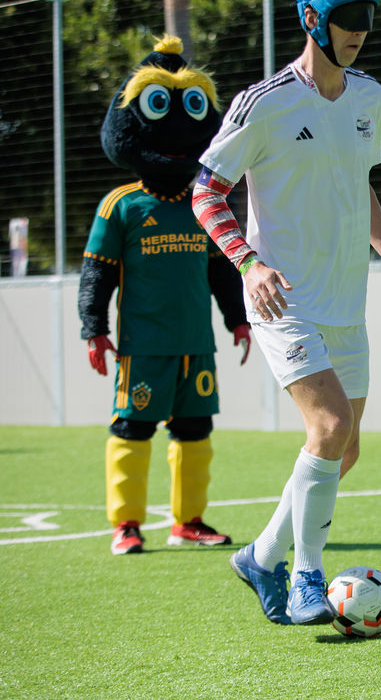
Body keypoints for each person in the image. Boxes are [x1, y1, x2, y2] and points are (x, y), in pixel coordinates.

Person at [193, 0, 381, 625]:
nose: (360, 31)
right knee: (329, 426)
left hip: (345, 300)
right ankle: (305, 575)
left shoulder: (369, 98)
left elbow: (355, 183)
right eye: (347, 18)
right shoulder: (265, 104)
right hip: (281, 296)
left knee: (346, 446)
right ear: (312, 19)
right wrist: (248, 264)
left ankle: (259, 556)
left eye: (367, 17)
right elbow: (205, 191)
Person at [79, 35, 251, 556]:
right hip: (142, 347)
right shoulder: (121, 205)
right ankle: (126, 524)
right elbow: (97, 272)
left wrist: (238, 320)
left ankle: (189, 520)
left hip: (195, 345)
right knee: (132, 429)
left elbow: (222, 271)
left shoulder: (205, 203)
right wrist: (94, 329)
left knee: (195, 431)